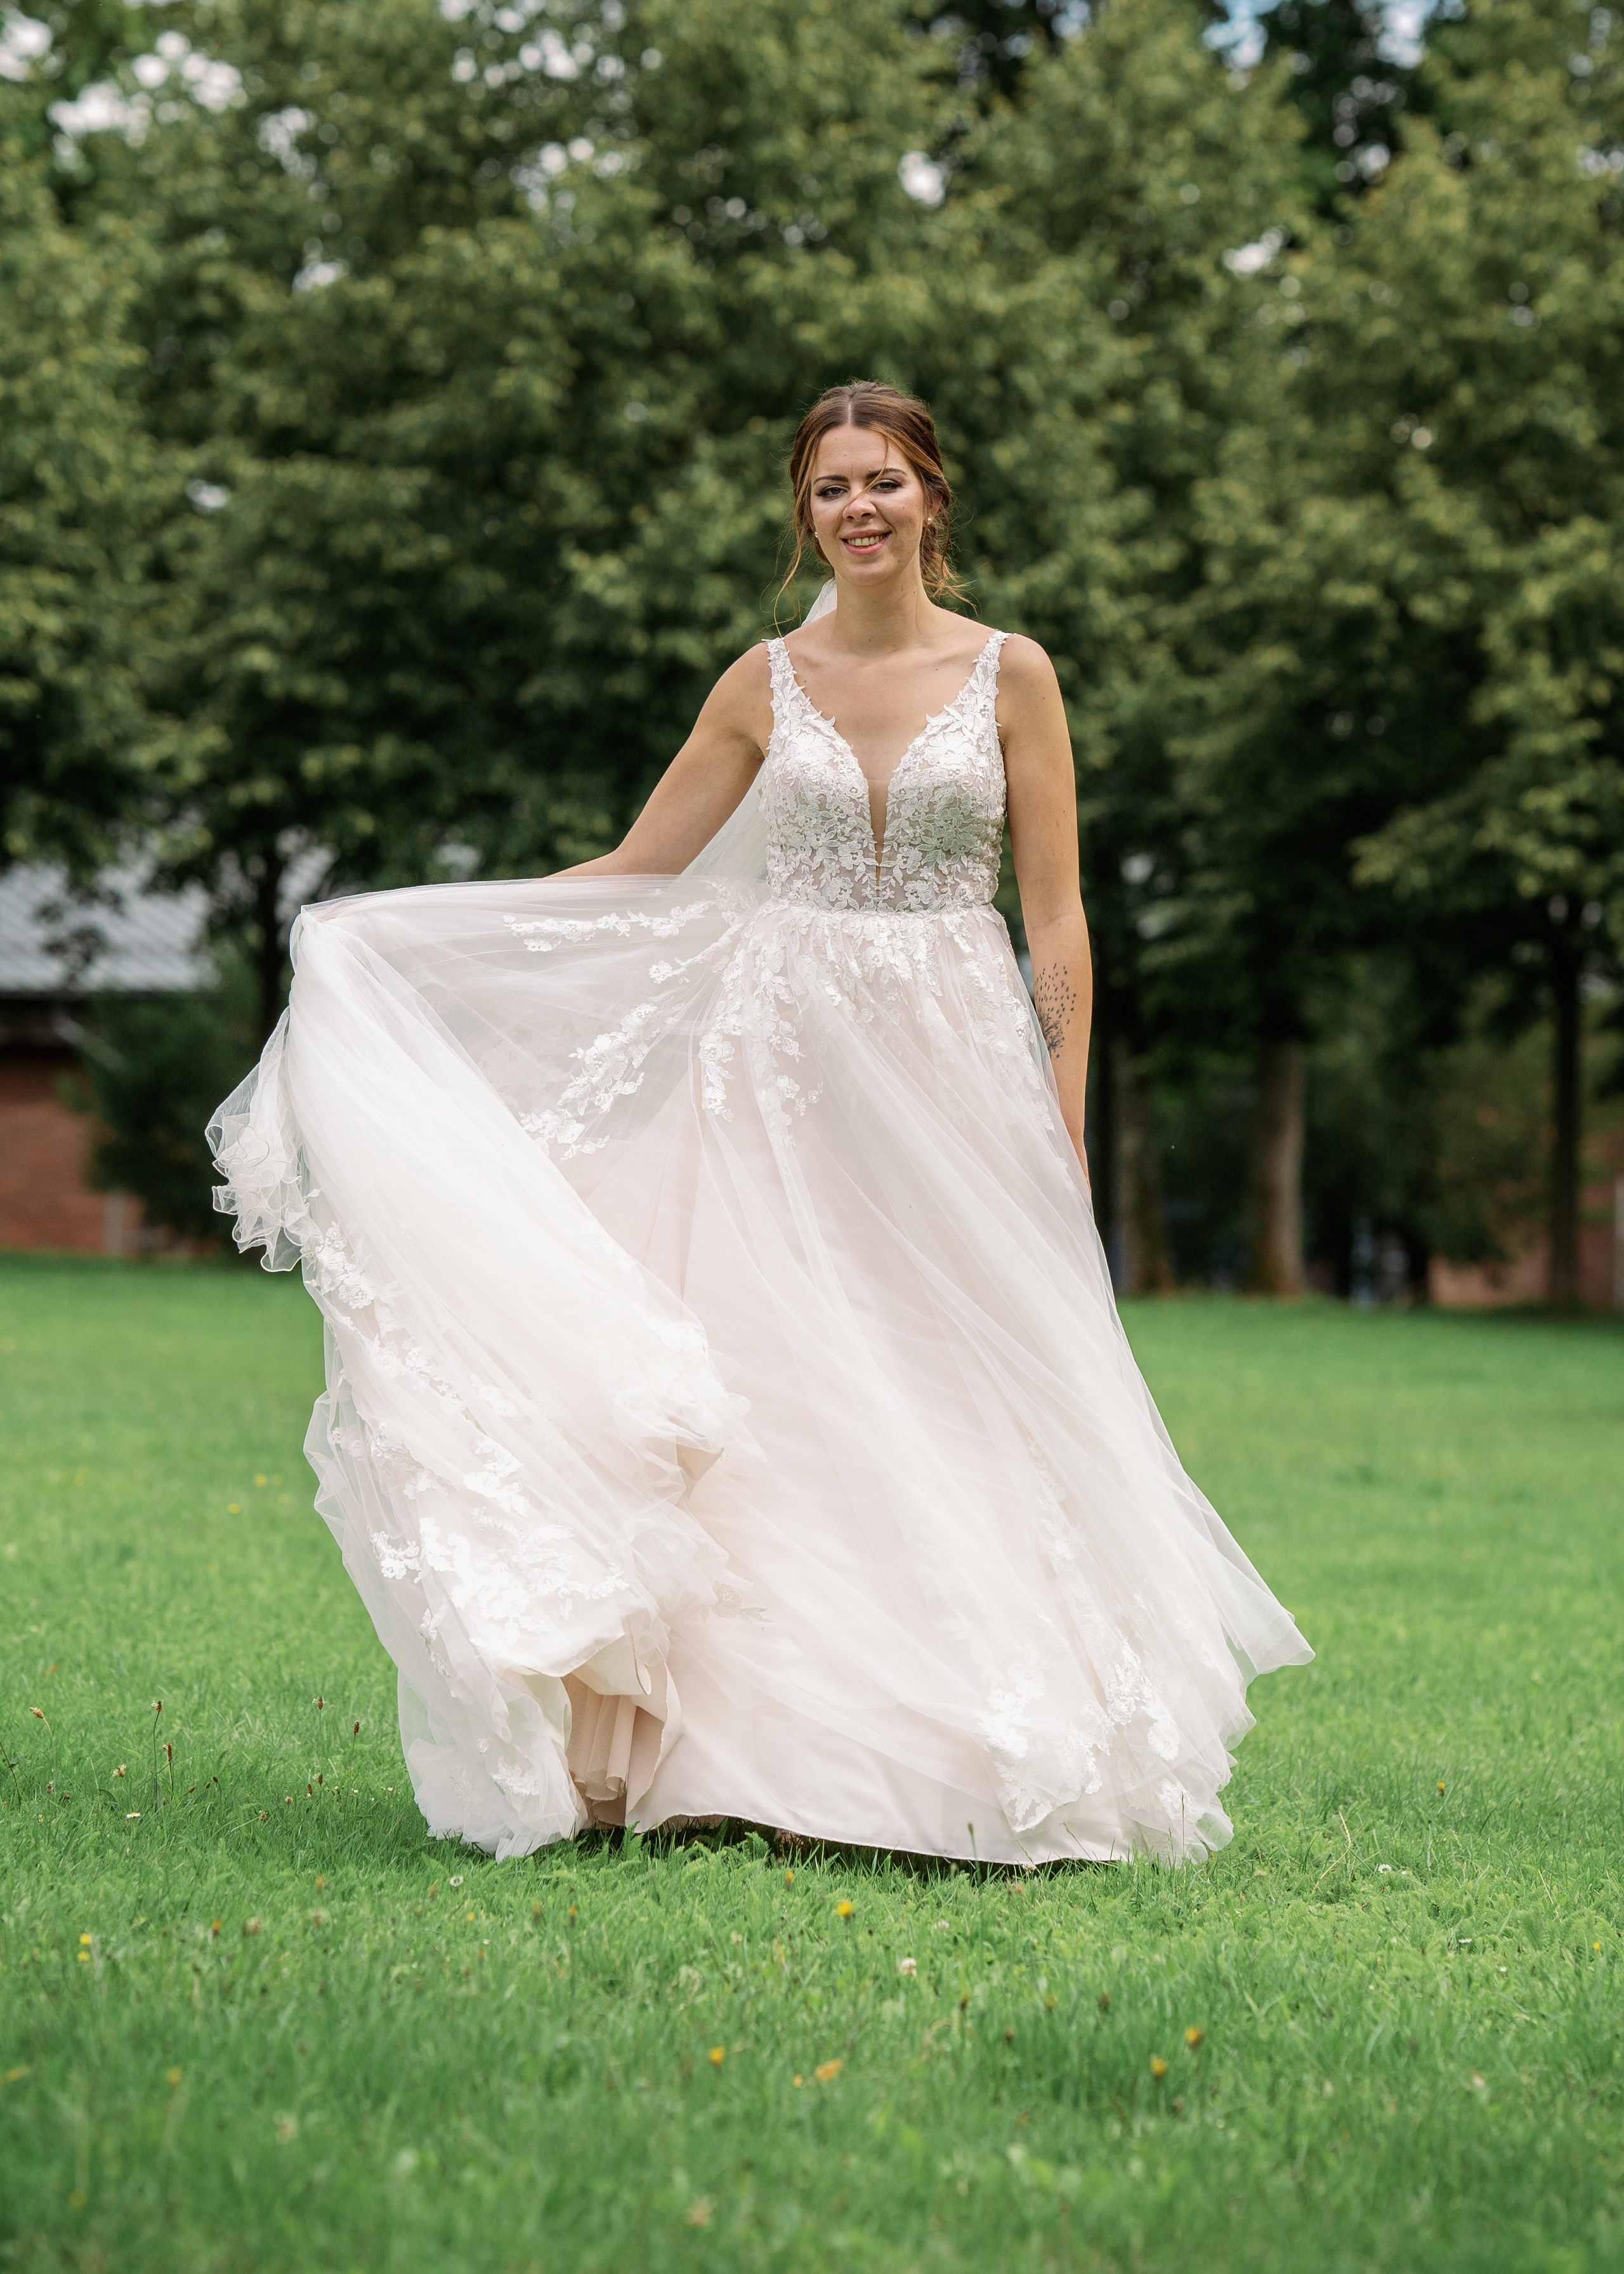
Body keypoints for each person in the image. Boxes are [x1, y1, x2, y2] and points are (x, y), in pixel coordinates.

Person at [211, 380, 1309, 1867]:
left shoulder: (1011, 675)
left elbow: (1053, 920)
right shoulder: (759, 680)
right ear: (805, 514)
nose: (858, 510)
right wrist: (403, 933)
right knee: (782, 1388)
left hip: (947, 1065)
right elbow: (640, 866)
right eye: (829, 488)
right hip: (776, 1070)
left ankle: (981, 1745)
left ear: (932, 497)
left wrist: (1056, 1118)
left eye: (883, 483)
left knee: (957, 1382)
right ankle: (753, 1759)